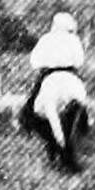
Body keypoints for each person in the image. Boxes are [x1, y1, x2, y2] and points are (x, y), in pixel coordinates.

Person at [20, 11, 86, 142]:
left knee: (33, 101)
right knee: (81, 98)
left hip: (49, 73)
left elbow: (34, 61)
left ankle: (27, 121)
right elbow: (80, 61)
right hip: (70, 72)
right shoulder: (74, 39)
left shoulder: (46, 38)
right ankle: (84, 122)